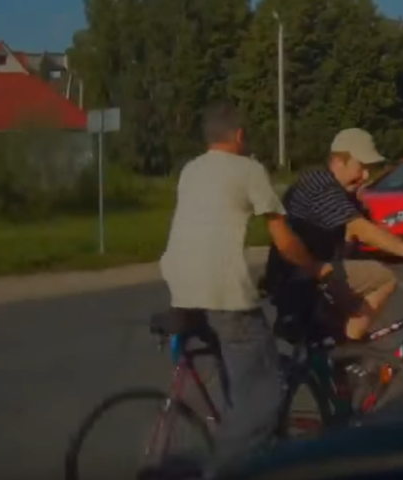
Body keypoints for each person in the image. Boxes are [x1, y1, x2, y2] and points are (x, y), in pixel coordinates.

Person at [159, 100, 331, 477]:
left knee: (240, 379)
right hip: (223, 295)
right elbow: (284, 241)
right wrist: (317, 267)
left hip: (181, 289)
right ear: (238, 136)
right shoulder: (247, 169)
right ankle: (220, 471)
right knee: (264, 397)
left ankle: (243, 445)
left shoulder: (190, 170)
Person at [264, 128, 403, 343]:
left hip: (308, 271)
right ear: (339, 161)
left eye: (369, 169)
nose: (366, 176)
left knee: (356, 305)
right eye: (361, 167)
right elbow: (360, 229)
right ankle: (349, 352)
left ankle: (337, 351)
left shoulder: (340, 192)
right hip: (298, 274)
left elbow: (356, 237)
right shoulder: (318, 182)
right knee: (383, 279)